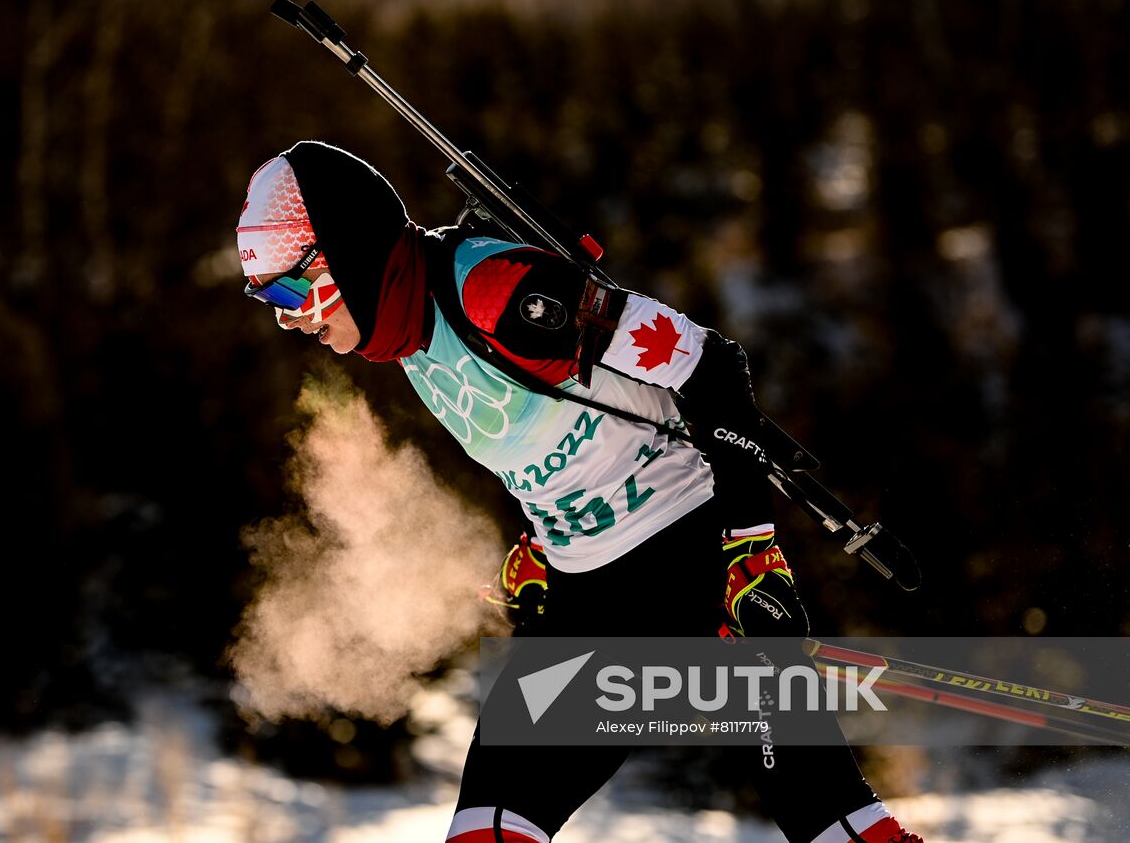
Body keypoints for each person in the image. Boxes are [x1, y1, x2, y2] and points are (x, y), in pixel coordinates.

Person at [237, 140, 922, 843]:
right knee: (489, 831)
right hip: (586, 595)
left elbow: (710, 365)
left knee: (828, 817)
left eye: (291, 290)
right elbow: (543, 438)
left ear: (348, 252)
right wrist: (540, 538)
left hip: (688, 557)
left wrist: (749, 550)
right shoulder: (407, 334)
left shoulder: (497, 292)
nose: (290, 319)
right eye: (269, 302)